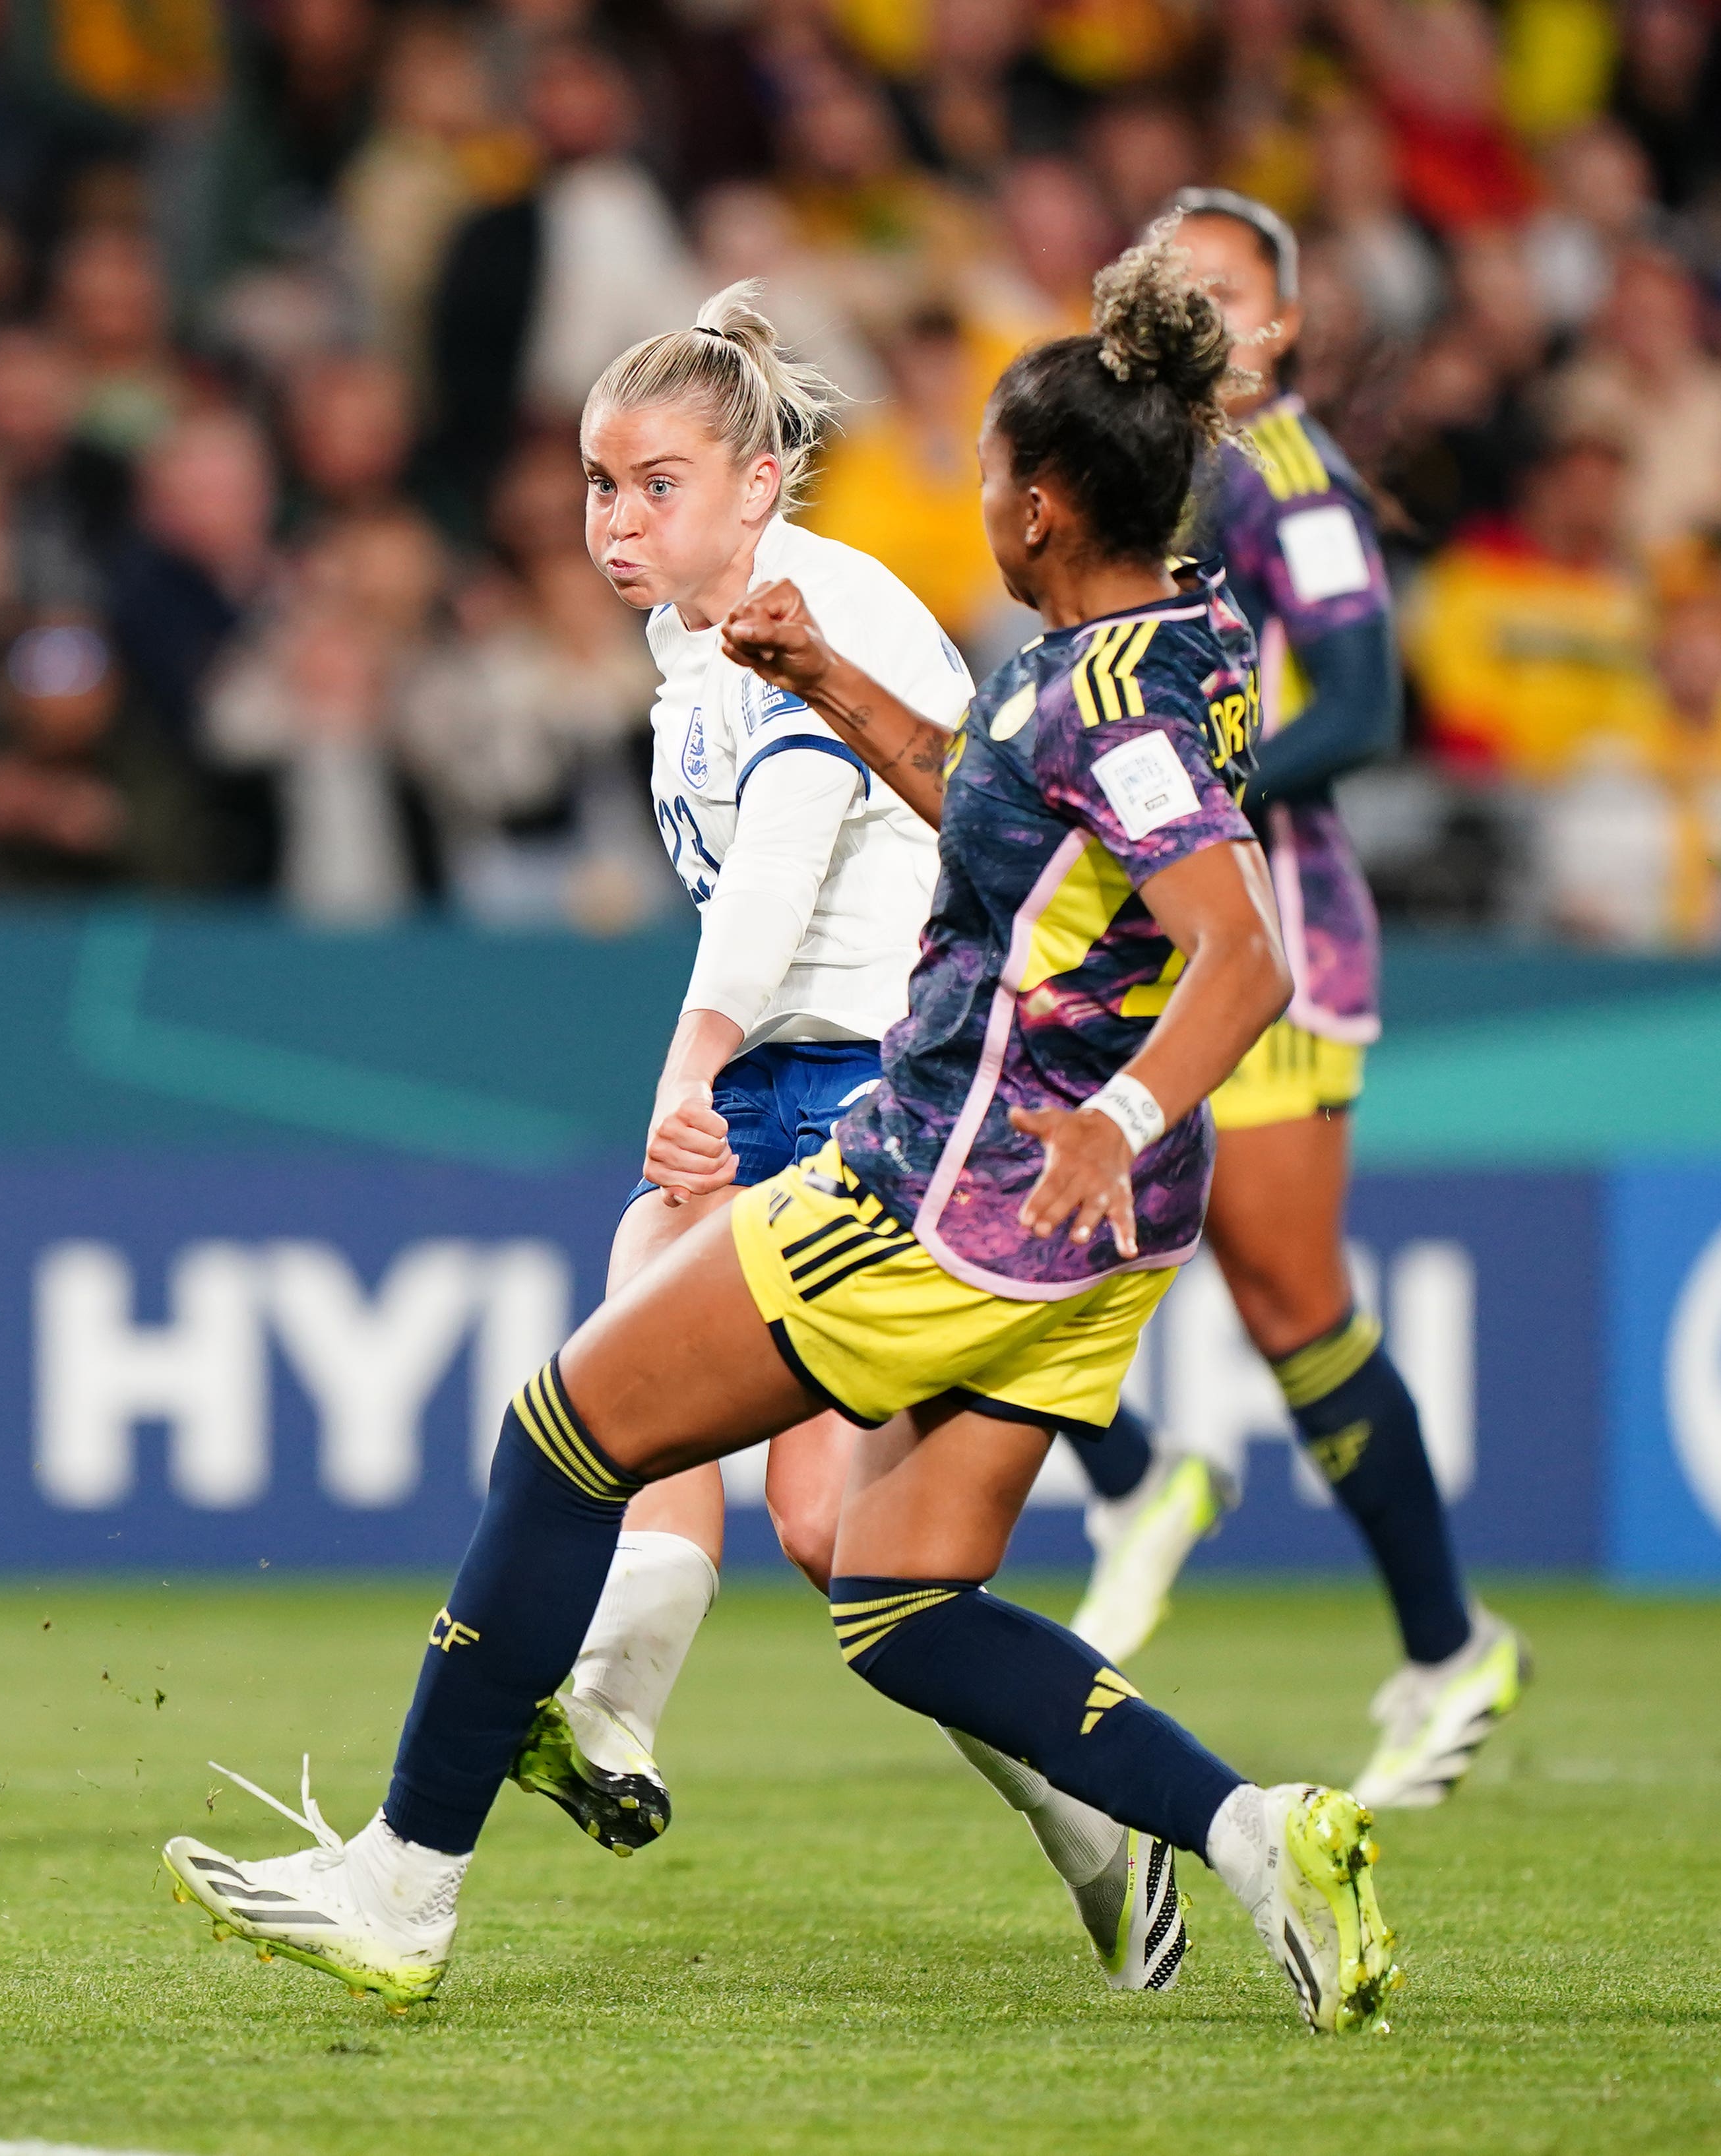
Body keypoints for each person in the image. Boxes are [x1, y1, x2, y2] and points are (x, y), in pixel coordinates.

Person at [164, 238, 1400, 2037]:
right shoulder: (1180, 631)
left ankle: (404, 1881)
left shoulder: (1095, 695)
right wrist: (832, 676)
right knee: (896, 1593)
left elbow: (1239, 947)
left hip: (964, 1172)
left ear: (1039, 508)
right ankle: (1245, 1827)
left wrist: (1113, 1114)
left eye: (982, 473)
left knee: (561, 1432)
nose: (958, 500)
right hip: (1080, 1219)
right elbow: (1002, 807)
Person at [495, 286, 1212, 1923]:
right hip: (790, 1074)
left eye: (655, 482)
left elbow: (790, 859)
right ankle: (629, 1712)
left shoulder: (822, 602)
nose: (616, 517)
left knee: (823, 1521)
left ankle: (1090, 1821)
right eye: (600, 483)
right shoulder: (692, 645)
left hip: (896, 1083)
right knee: (743, 1453)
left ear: (759, 484)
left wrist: (689, 1061)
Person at [1151, 193, 1528, 1805]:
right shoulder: (1159, 467)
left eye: (1229, 294)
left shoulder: (1286, 480)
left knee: (1290, 1302)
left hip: (1274, 938)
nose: (1201, 316)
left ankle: (1451, 1647)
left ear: (1285, 327)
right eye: (1173, 291)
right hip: (1165, 930)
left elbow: (1365, 700)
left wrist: (1188, 780)